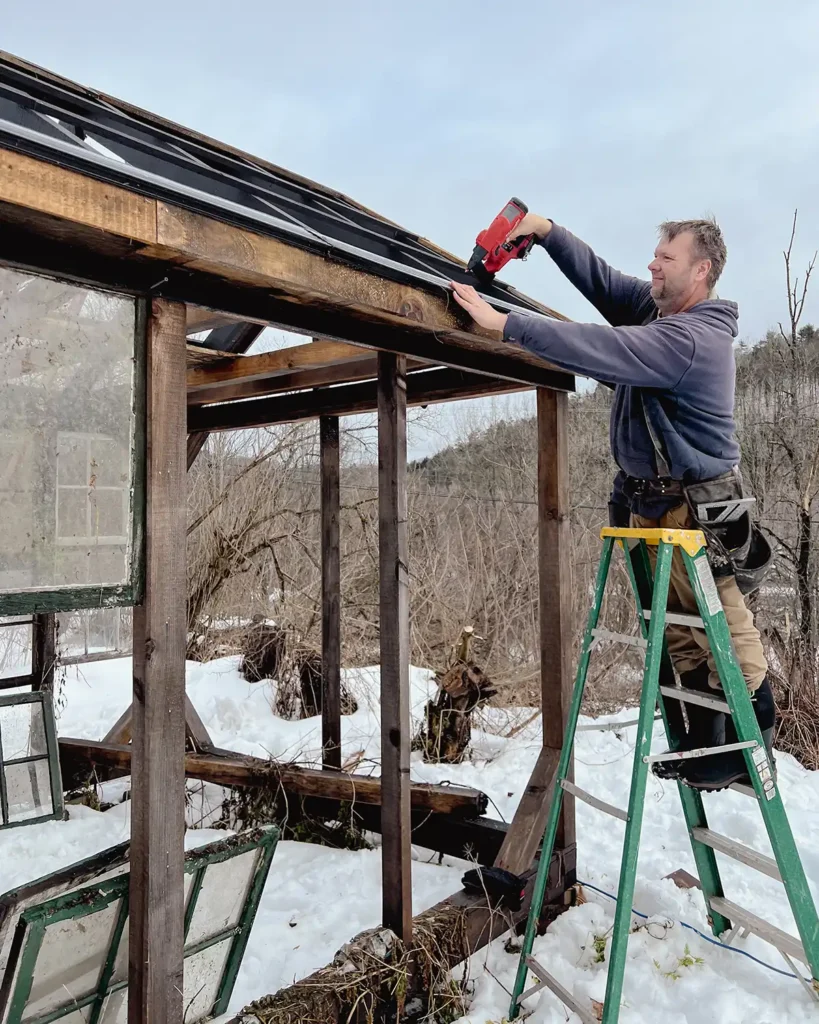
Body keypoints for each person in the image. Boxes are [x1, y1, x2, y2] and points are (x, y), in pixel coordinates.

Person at [450, 215, 774, 792]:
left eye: (666, 257)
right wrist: (547, 232)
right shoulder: (659, 313)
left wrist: (505, 324)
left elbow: (600, 347)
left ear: (701, 271)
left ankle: (750, 737)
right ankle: (708, 742)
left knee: (719, 624)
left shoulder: (690, 338)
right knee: (676, 631)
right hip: (652, 504)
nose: (652, 263)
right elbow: (602, 282)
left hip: (698, 507)